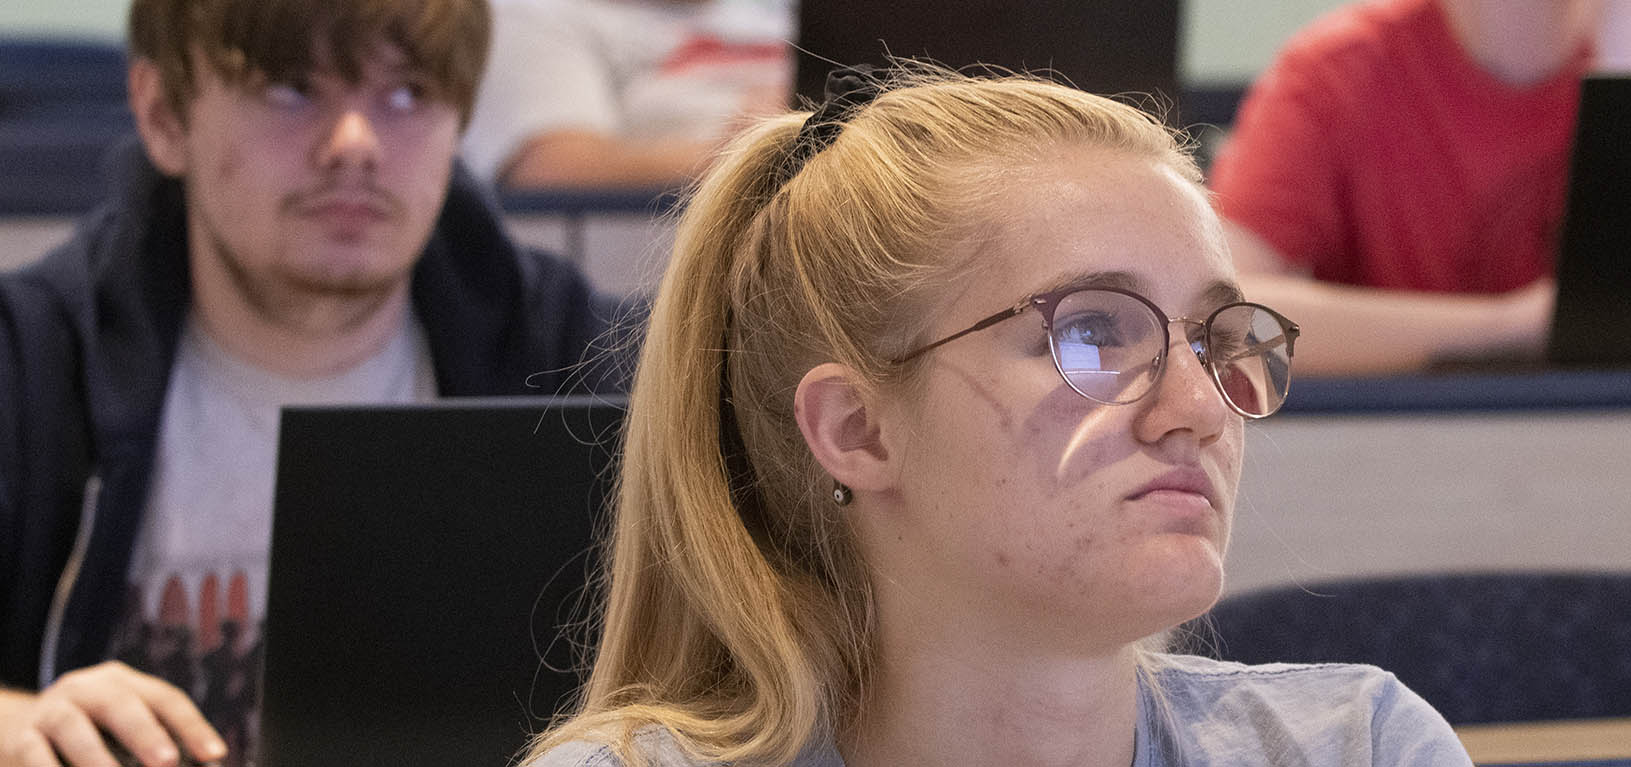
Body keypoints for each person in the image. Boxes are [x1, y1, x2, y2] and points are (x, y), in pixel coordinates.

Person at [518, 67, 1471, 767]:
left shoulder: (1361, 747)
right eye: (1096, 332)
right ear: (858, 429)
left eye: (1217, 337)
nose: (1200, 411)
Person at [0, 0, 629, 765]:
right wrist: (17, 721)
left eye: (410, 95)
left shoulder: (582, 362)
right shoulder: (27, 360)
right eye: (292, 89)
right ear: (164, 114)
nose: (355, 143)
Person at [1210, 0, 1631, 375]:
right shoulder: (1336, 73)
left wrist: (1625, 50)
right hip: (1412, 455)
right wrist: (1508, 326)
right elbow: (1228, 316)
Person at [461, 0, 795, 189]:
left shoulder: (771, 11)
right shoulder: (535, 15)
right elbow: (553, 169)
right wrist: (749, 154)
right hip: (679, 252)